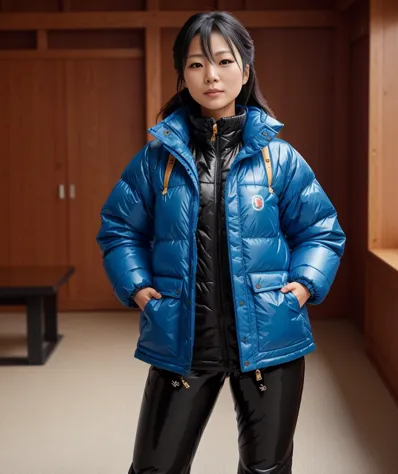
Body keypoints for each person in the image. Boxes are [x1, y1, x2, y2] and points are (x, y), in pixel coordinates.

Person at [96, 10, 346, 474]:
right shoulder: (158, 160)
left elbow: (322, 230)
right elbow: (119, 228)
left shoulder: (278, 158)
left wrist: (303, 286)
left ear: (245, 70)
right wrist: (138, 287)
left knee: (266, 468)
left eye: (224, 61)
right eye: (196, 64)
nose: (211, 75)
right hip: (182, 339)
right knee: (155, 466)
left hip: (271, 338)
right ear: (183, 75)